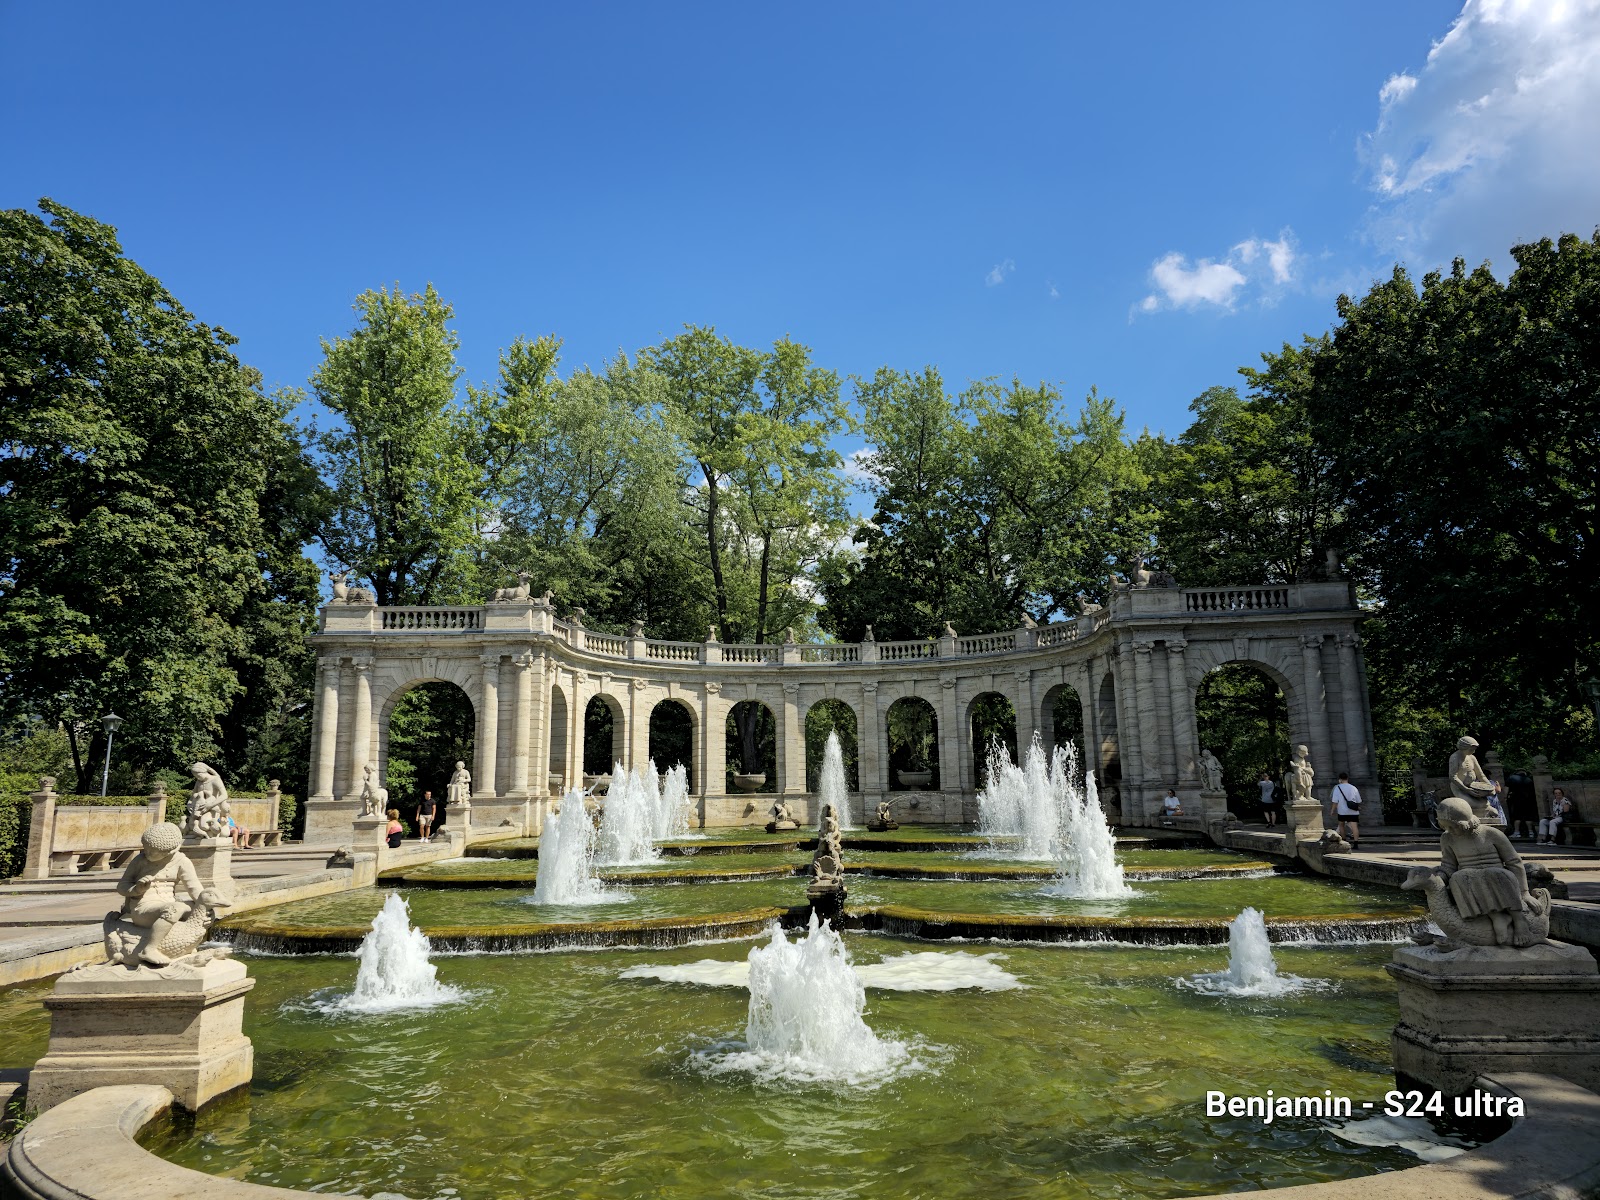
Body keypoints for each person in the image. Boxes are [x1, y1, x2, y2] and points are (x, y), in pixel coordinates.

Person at [1437, 796, 1536, 946]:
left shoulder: (1491, 833)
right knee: (1458, 877)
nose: (1449, 830)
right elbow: (1448, 865)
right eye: (1445, 827)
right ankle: (1497, 917)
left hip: (1498, 877)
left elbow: (1514, 862)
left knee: (1494, 873)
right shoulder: (1447, 838)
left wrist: (1525, 893)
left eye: (1453, 826)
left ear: (1465, 821)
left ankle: (1518, 918)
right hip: (1470, 879)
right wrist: (1439, 877)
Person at [1330, 771, 1361, 850]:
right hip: (1353, 811)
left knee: (1341, 825)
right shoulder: (1353, 788)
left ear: (1340, 779)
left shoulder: (1337, 788)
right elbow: (1358, 800)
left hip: (1342, 811)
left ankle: (1344, 841)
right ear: (1347, 778)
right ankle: (1356, 843)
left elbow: (1335, 801)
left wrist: (1332, 810)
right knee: (1354, 827)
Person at [1505, 770, 1538, 840]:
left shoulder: (1511, 778)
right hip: (1528, 800)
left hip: (1516, 799)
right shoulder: (1529, 780)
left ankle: (1517, 832)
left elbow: (1506, 789)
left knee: (1517, 816)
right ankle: (1531, 832)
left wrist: (1505, 797)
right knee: (1528, 817)